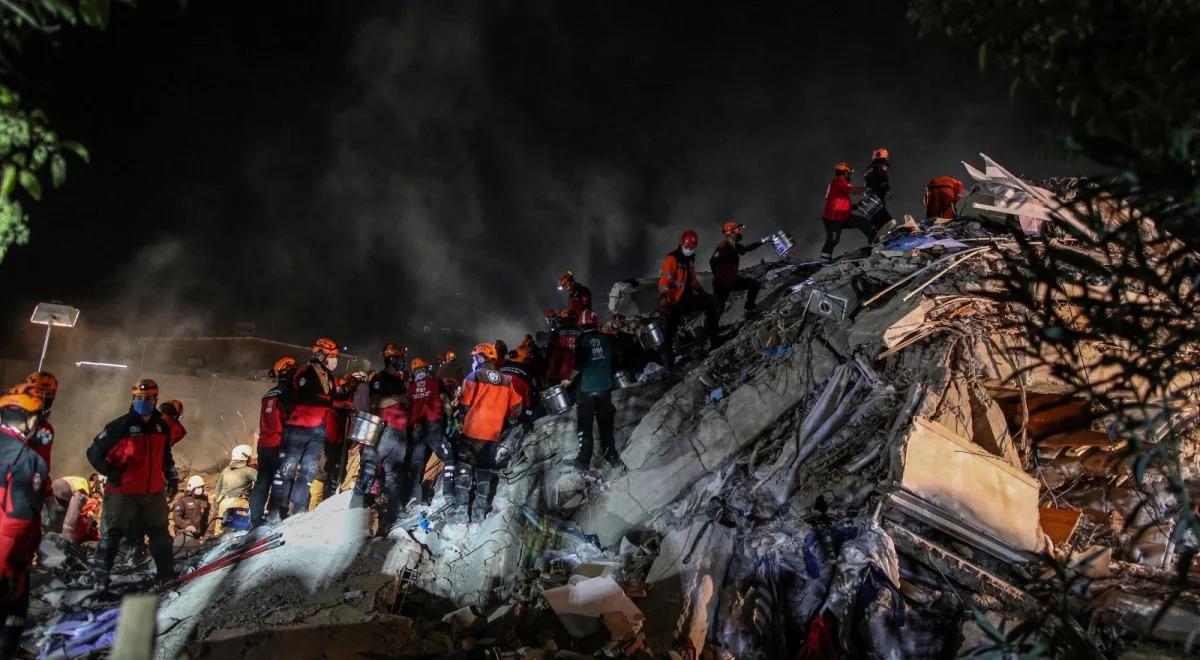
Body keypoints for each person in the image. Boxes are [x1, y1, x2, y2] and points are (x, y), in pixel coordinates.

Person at [86, 378, 179, 589]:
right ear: (133, 398)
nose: (143, 402)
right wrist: (110, 471)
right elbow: (93, 453)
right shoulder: (119, 426)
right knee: (112, 536)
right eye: (139, 398)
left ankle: (167, 575)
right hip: (123, 492)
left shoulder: (160, 426)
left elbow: (166, 455)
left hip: (153, 492)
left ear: (156, 399)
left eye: (148, 398)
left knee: (160, 534)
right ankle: (100, 583)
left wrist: (172, 476)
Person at [0, 384, 50, 659]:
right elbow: (18, 523)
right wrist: (14, 570)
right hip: (5, 561)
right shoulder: (29, 461)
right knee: (10, 623)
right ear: (28, 419)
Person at [450, 343, 523, 523]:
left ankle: (460, 513)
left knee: (465, 470)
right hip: (493, 435)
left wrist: (458, 419)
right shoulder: (506, 380)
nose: (473, 361)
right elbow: (517, 407)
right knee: (484, 472)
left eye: (475, 358)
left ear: (481, 358)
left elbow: (463, 405)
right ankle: (479, 514)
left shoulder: (474, 376)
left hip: (472, 432)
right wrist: (508, 419)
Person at [271, 338, 339, 520]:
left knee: (309, 471)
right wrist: (329, 402)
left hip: (318, 430)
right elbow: (307, 396)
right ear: (320, 353)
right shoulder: (305, 372)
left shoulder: (330, 377)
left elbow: (332, 399)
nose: (333, 359)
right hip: (298, 428)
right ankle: (277, 510)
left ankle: (297, 510)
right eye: (331, 355)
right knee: (288, 469)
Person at [355, 343, 412, 527]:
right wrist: (399, 399)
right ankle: (357, 514)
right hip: (383, 429)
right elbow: (376, 401)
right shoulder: (380, 378)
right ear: (391, 358)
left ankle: (388, 519)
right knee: (369, 471)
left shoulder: (400, 380)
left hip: (399, 432)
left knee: (393, 478)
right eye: (400, 358)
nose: (403, 362)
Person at [565, 310, 624, 472]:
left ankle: (583, 461)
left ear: (581, 325)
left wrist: (568, 379)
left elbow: (579, 364)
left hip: (587, 390)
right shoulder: (607, 339)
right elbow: (618, 354)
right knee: (606, 425)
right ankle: (611, 456)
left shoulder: (582, 340)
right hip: (605, 388)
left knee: (585, 426)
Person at [658, 229, 720, 366]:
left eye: (692, 248)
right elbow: (664, 280)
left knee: (712, 302)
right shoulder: (672, 258)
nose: (690, 249)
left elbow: (692, 279)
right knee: (668, 334)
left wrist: (702, 292)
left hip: (688, 298)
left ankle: (714, 340)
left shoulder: (690, 258)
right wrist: (664, 298)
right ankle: (669, 365)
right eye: (688, 247)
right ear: (682, 244)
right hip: (674, 302)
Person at [251, 357, 295, 527]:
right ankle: (275, 518)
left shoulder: (268, 394)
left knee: (262, 482)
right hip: (279, 443)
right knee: (282, 480)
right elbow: (292, 419)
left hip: (264, 444)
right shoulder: (288, 394)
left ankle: (255, 519)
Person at [408, 357, 453, 508]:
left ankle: (414, 498)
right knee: (449, 457)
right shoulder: (435, 383)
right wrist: (451, 419)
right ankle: (448, 493)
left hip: (417, 429)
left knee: (417, 465)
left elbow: (407, 409)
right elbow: (446, 403)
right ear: (427, 370)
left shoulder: (411, 388)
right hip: (434, 427)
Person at [710, 221, 768, 319]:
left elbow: (747, 248)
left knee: (755, 285)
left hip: (732, 280)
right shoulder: (723, 246)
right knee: (719, 307)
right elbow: (713, 261)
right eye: (737, 230)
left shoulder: (735, 246)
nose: (739, 232)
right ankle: (711, 331)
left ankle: (749, 310)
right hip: (722, 284)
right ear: (730, 232)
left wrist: (762, 241)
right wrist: (720, 277)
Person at [820, 162, 871, 264]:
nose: (849, 176)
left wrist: (855, 206)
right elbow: (853, 189)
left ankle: (875, 242)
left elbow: (840, 203)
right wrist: (867, 189)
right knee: (833, 240)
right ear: (845, 173)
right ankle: (825, 260)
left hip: (842, 217)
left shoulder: (836, 184)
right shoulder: (839, 181)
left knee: (863, 223)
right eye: (848, 174)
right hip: (833, 220)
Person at [214, 445, 256, 533]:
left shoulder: (226, 470)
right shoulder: (249, 471)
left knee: (220, 532)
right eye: (249, 456)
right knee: (240, 531)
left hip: (223, 503)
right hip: (239, 503)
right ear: (245, 457)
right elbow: (262, 482)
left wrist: (219, 502)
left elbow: (218, 488)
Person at [24, 372, 56, 474]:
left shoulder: (46, 428)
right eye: (38, 392)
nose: (42, 397)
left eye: (48, 394)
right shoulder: (11, 415)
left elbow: (43, 462)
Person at [500, 343, 538, 430]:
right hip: (515, 413)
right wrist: (528, 417)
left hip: (495, 410)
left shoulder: (500, 369)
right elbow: (534, 396)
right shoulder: (528, 374)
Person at [544, 309, 582, 386]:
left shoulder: (557, 332)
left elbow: (550, 350)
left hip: (560, 372)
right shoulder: (580, 332)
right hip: (577, 371)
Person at [171, 475, 210, 549]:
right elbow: (176, 517)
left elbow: (206, 517)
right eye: (198, 487)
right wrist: (187, 525)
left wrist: (207, 534)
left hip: (199, 534)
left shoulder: (204, 500)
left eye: (201, 487)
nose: (200, 489)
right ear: (192, 488)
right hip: (187, 534)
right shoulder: (182, 500)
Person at [862, 148, 893, 229]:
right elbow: (883, 176)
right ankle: (889, 223)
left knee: (873, 211)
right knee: (880, 208)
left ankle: (877, 228)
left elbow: (866, 179)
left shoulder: (869, 167)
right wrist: (887, 190)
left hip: (868, 193)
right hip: (879, 190)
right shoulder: (883, 163)